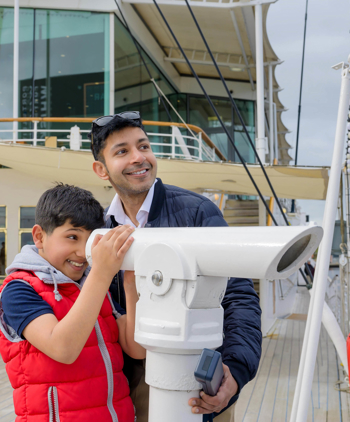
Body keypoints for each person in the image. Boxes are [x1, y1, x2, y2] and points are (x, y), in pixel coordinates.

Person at [90, 112, 262, 422]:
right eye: (122, 151)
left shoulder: (198, 213)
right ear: (101, 170)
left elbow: (238, 297)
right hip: (132, 390)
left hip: (200, 387)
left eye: (143, 146)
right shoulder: (100, 231)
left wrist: (235, 373)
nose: (139, 157)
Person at [0, 184, 144, 422]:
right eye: (72, 237)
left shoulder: (94, 284)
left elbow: (136, 348)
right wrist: (101, 273)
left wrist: (130, 285)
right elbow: (63, 349)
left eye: (90, 242)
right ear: (39, 236)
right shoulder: (18, 289)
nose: (81, 253)